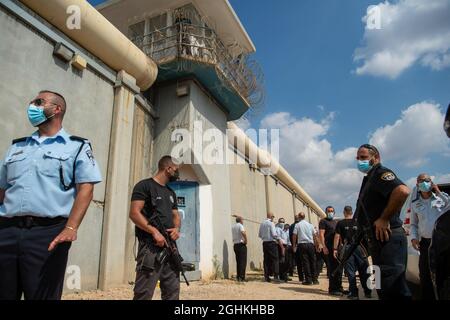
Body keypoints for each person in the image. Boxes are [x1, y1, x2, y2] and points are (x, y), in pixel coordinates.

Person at [0, 90, 102, 300]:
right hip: (6, 230)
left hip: (47, 234)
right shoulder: (17, 147)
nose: (32, 105)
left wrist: (71, 227)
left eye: (39, 102)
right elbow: (2, 187)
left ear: (57, 109)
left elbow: (86, 188)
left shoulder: (77, 146)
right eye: (32, 102)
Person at [355, 144, 411, 300]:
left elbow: (402, 191)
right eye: (358, 158)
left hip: (388, 239)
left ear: (376, 158)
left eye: (364, 157)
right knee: (382, 287)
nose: (360, 161)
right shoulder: (370, 178)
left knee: (394, 287)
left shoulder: (381, 173)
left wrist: (384, 218)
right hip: (377, 241)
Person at [129, 156, 182, 300]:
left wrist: (177, 229)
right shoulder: (144, 186)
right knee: (144, 293)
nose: (178, 174)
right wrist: (154, 232)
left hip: (170, 247)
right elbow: (134, 213)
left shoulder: (171, 193)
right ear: (168, 169)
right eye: (176, 170)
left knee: (172, 291)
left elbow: (176, 216)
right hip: (150, 247)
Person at [409, 174, 450, 300]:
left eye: (427, 180)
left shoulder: (442, 198)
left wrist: (438, 192)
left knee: (443, 275)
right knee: (425, 276)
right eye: (421, 181)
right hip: (426, 243)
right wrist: (414, 237)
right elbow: (413, 224)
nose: (424, 182)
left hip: (443, 244)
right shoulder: (415, 203)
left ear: (431, 182)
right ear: (417, 184)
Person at [333, 206, 372, 300]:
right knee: (364, 269)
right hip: (359, 247)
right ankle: (368, 292)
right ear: (352, 212)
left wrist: (335, 249)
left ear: (344, 212)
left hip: (347, 248)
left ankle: (354, 294)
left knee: (350, 272)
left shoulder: (340, 223)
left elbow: (337, 237)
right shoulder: (358, 222)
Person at [319, 206, 343, 296]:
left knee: (339, 268)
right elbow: (321, 234)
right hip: (329, 247)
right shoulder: (323, 221)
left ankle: (339, 287)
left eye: (332, 211)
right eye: (329, 211)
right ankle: (332, 288)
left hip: (336, 248)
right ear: (326, 212)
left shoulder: (335, 222)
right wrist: (324, 246)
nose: (330, 212)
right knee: (332, 268)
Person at [292, 212, 319, 285]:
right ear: (304, 217)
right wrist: (316, 245)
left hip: (302, 244)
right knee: (313, 261)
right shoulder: (310, 225)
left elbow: (294, 235)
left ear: (299, 217)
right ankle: (315, 279)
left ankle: (308, 280)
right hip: (310, 244)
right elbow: (315, 235)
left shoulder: (297, 225)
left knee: (305, 262)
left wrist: (294, 245)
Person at [258, 212, 282, 283]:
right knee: (275, 259)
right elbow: (274, 234)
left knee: (266, 260)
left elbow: (259, 235)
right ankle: (276, 276)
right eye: (273, 217)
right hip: (272, 243)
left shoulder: (262, 223)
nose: (273, 218)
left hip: (265, 243)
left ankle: (266, 276)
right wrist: (279, 239)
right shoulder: (271, 223)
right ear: (271, 216)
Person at [232, 215, 248, 282]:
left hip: (235, 245)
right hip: (241, 245)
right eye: (242, 220)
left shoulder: (233, 226)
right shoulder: (240, 226)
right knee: (243, 261)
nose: (243, 221)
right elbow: (243, 232)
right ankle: (242, 277)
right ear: (241, 220)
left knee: (238, 261)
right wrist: (246, 240)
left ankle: (238, 276)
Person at [289, 214, 304, 281]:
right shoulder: (302, 225)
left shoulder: (292, 226)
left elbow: (290, 236)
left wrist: (293, 245)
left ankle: (301, 277)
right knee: (304, 261)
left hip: (296, 245)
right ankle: (306, 276)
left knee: (298, 261)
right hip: (302, 244)